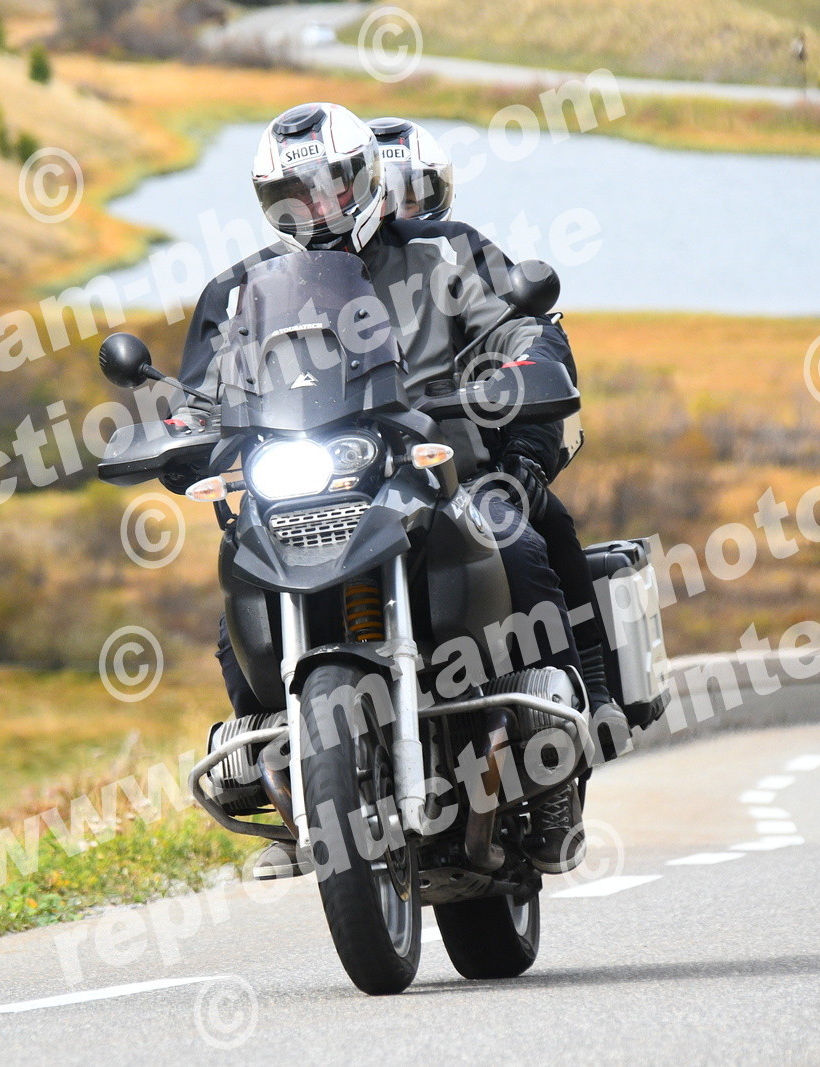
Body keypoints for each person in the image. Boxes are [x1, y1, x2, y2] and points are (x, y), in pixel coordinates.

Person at [171, 102, 610, 875]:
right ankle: (285, 775)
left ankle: (554, 759)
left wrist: (524, 364)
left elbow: (517, 324)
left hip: (441, 473)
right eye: (295, 194)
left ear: (366, 175)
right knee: (244, 582)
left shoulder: (446, 251)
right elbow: (201, 390)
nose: (318, 206)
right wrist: (175, 428)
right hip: (314, 484)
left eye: (333, 185)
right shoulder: (243, 291)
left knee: (516, 541)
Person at [368, 116, 633, 749]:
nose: (401, 213)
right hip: (347, 487)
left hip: (463, 474)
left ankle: (583, 698)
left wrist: (524, 453)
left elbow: (527, 334)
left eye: (414, 196)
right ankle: (270, 761)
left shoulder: (456, 256)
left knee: (525, 533)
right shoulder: (306, 289)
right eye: (388, 196)